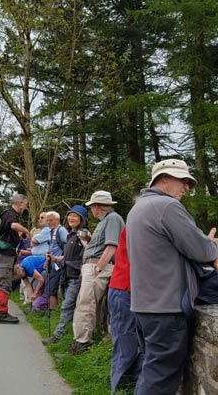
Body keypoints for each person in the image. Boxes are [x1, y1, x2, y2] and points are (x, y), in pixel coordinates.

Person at [127, 158, 218, 395]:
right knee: (160, 378)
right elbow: (202, 251)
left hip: (145, 304)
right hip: (165, 307)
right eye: (183, 180)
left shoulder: (139, 208)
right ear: (164, 178)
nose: (187, 187)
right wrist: (211, 244)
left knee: (152, 370)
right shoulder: (166, 206)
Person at [70, 190, 124, 354]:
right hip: (93, 265)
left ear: (97, 206)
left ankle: (82, 342)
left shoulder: (113, 219)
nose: (91, 210)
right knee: (86, 303)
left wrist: (98, 268)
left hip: (98, 266)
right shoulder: (106, 220)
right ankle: (86, 339)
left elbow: (112, 246)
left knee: (85, 304)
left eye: (92, 206)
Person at [42, 205, 88, 344]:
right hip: (67, 275)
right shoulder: (70, 234)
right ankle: (68, 334)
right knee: (69, 306)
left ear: (82, 219)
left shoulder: (83, 234)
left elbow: (86, 255)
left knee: (67, 305)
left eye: (75, 216)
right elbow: (67, 257)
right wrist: (56, 259)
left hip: (76, 276)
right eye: (70, 215)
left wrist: (76, 266)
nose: (71, 218)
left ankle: (58, 336)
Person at [108, 226, 143, 393]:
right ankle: (120, 387)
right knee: (125, 344)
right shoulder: (138, 225)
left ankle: (129, 383)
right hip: (125, 289)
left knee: (138, 343)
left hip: (128, 289)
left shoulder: (139, 220)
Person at [0, 194, 29, 324]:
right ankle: (2, 313)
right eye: (25, 204)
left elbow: (10, 229)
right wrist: (26, 230)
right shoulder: (11, 214)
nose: (26, 207)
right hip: (4, 254)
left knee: (4, 280)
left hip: (3, 253)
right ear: (20, 203)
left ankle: (2, 311)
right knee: (4, 281)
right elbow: (13, 225)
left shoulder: (7, 214)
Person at [44, 211, 68, 310]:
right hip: (51, 264)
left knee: (52, 289)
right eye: (47, 220)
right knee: (49, 288)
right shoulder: (52, 231)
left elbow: (68, 246)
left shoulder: (61, 231)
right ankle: (50, 311)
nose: (48, 222)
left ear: (57, 220)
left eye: (51, 220)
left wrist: (61, 258)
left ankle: (52, 312)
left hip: (58, 265)